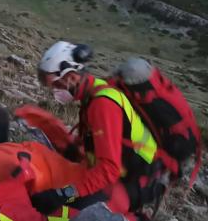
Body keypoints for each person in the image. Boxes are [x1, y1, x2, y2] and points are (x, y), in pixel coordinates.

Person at [31, 41, 164, 221]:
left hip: (138, 179)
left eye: (57, 85)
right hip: (127, 170)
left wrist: (63, 194)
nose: (55, 91)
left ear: (70, 76)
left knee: (78, 213)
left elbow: (108, 169)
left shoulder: (102, 105)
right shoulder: (93, 95)